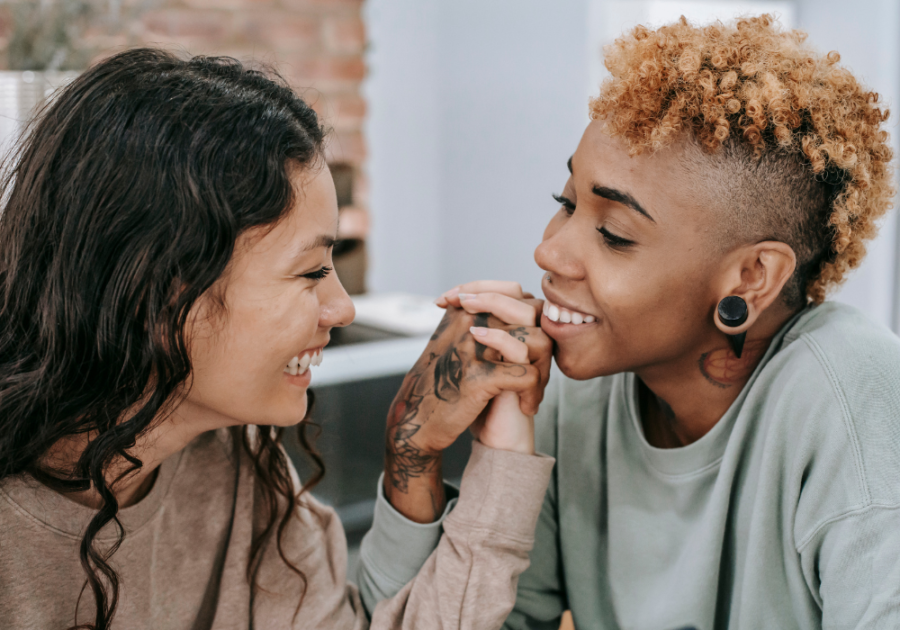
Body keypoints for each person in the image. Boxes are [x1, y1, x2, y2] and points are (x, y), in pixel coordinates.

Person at [357, 15, 900, 629]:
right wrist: (413, 451)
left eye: (615, 235)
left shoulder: (859, 400)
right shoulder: (577, 399)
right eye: (565, 203)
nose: (549, 253)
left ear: (751, 278)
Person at [0, 48, 558, 630]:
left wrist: (465, 457)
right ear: (157, 295)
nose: (341, 309)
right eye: (311, 272)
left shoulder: (242, 465)